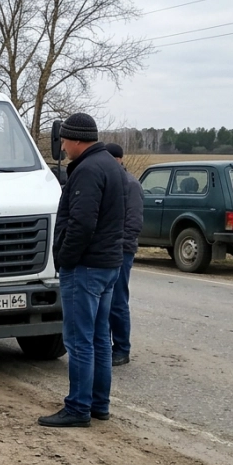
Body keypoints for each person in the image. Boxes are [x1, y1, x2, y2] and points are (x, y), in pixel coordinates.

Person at [39, 113, 126, 428]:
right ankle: (98, 404)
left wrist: (65, 258)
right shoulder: (109, 166)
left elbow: (83, 223)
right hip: (108, 265)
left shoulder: (87, 170)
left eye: (64, 140)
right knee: (100, 338)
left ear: (76, 139)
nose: (62, 146)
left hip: (86, 267)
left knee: (78, 340)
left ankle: (77, 407)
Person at [104, 143, 143, 366]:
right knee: (106, 302)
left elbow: (134, 222)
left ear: (118, 159)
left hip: (122, 250)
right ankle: (106, 346)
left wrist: (120, 246)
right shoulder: (111, 182)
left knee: (117, 301)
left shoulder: (131, 185)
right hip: (107, 250)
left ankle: (121, 349)